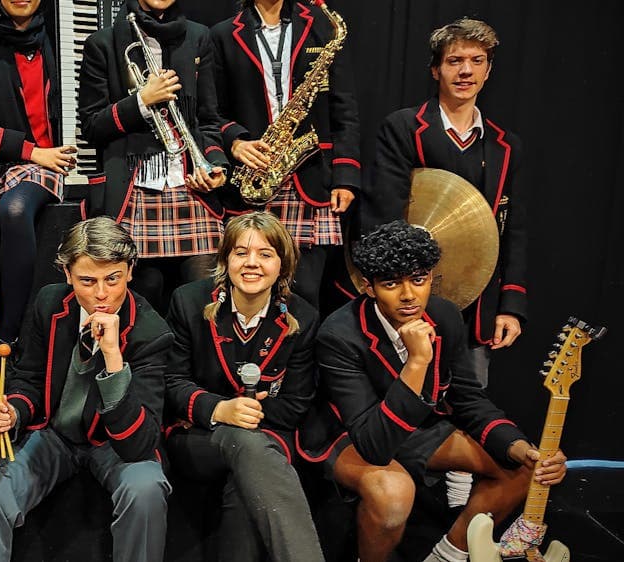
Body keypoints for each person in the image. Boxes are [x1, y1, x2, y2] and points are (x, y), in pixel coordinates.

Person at [308, 221, 566, 562]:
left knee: (524, 469)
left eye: (419, 280)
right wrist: (417, 363)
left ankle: (447, 557)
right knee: (393, 495)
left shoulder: (444, 314)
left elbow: (467, 397)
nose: (408, 296)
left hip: (417, 427)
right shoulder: (339, 334)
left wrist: (519, 447)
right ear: (368, 287)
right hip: (349, 433)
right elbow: (374, 445)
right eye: (390, 284)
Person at [0, 216, 174, 562]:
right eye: (87, 281)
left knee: (146, 490)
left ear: (130, 270)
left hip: (114, 444)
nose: (102, 294)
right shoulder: (50, 303)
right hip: (55, 436)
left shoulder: (151, 331)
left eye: (113, 279)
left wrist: (114, 358)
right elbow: (29, 378)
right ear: (67, 275)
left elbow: (139, 443)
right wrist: (13, 411)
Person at [361, 17, 526, 387]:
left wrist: (511, 307)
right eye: (454, 61)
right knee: (407, 408)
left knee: (470, 408)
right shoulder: (403, 128)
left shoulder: (505, 145)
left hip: (478, 306)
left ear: (488, 70)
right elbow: (382, 221)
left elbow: (513, 229)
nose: (466, 70)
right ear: (435, 70)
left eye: (477, 60)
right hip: (412, 303)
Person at [164, 211, 324, 561]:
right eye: (241, 252)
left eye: (265, 254)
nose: (252, 263)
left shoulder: (304, 317)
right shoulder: (188, 302)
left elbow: (296, 404)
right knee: (247, 445)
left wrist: (247, 413)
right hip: (197, 438)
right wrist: (221, 409)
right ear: (225, 260)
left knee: (246, 476)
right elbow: (172, 384)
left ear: (282, 265)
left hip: (264, 436)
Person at [78, 0, 230, 314]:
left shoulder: (198, 37)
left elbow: (209, 118)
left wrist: (214, 163)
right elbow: (92, 126)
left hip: (188, 185)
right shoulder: (102, 43)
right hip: (133, 189)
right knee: (142, 296)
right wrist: (142, 101)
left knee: (204, 296)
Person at [211, 0, 362, 312]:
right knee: (246, 293)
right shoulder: (223, 34)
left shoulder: (323, 25)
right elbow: (211, 111)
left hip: (309, 178)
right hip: (254, 177)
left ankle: (299, 360)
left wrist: (345, 176)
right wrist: (235, 142)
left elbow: (343, 107)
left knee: (305, 294)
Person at [0, 0, 74, 342]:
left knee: (15, 207)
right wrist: (31, 151)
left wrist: (45, 155)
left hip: (48, 165)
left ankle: (15, 335)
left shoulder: (64, 45)